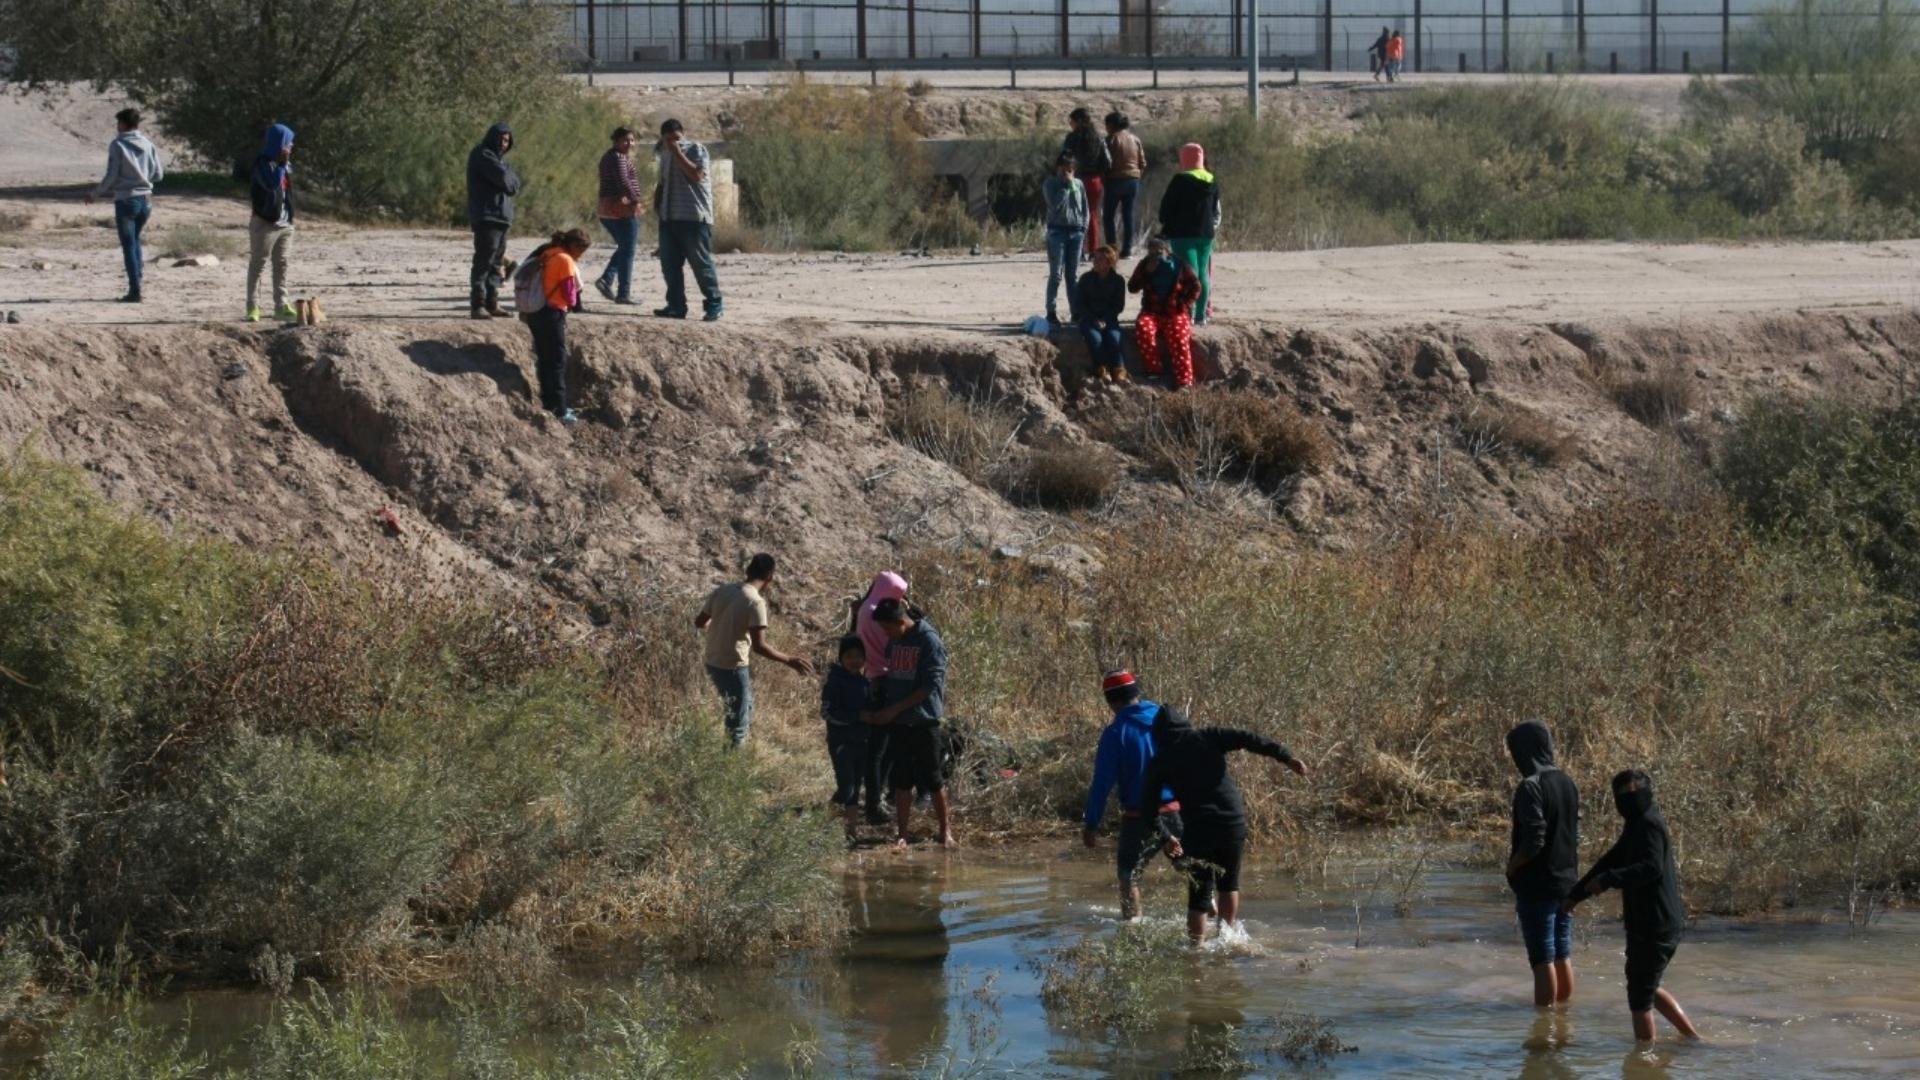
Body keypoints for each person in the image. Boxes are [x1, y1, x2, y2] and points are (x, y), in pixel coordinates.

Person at [1139, 707, 1308, 944]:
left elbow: (1147, 808)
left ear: (1159, 735)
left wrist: (1166, 837)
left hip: (1199, 829)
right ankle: (1226, 939)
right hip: (1232, 821)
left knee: (1198, 894)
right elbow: (1249, 739)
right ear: (1185, 724)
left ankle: (1196, 952)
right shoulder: (1209, 736)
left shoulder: (1162, 760)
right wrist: (1285, 757)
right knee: (1229, 884)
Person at [1565, 770, 1702, 1044]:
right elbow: (1611, 860)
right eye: (1624, 794)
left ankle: (1644, 1060)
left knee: (1639, 999)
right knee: (1646, 987)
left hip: (1656, 924)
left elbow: (1650, 868)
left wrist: (1609, 880)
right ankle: (1692, 1039)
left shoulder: (1649, 823)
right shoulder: (1637, 824)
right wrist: (1576, 895)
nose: (1631, 798)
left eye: (1635, 791)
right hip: (1652, 922)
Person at [1082, 670, 1184, 920]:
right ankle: (1216, 921)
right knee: (1195, 872)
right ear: (1137, 692)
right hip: (1176, 810)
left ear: (1111, 701)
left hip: (1139, 819)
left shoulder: (1116, 732)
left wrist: (1091, 823)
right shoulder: (1166, 717)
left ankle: (1133, 931)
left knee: (1129, 877)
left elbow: (1102, 783)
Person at [694, 553, 814, 748]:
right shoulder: (755, 602)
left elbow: (700, 622)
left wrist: (720, 628)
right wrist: (789, 660)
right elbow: (760, 647)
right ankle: (731, 770)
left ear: (747, 571)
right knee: (738, 727)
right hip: (733, 667)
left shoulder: (722, 590)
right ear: (770, 578)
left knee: (742, 710)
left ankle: (728, 760)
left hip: (712, 661)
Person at [867, 596, 953, 849]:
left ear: (900, 621)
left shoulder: (929, 641)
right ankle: (902, 834)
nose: (885, 634)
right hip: (899, 722)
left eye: (887, 628)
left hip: (924, 721)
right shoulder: (895, 641)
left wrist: (894, 709)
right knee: (901, 780)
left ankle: (945, 831)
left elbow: (928, 687)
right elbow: (893, 673)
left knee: (933, 779)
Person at [1506, 720, 1581, 1008]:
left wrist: (1514, 866)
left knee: (1542, 957)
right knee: (1562, 952)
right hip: (1567, 880)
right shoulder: (1567, 782)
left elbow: (1535, 838)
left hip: (1538, 884)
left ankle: (1545, 1026)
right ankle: (1563, 1019)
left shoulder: (1530, 786)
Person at [86, 109, 164, 304]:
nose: (117, 126)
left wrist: (95, 193)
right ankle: (138, 280)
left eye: (118, 122)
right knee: (135, 241)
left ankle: (135, 290)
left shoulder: (118, 144)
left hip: (126, 200)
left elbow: (111, 175)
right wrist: (142, 178)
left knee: (128, 245)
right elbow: (158, 174)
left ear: (123, 124)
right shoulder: (148, 144)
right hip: (146, 200)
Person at [855, 572, 911, 825]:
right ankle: (874, 804)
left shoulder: (865, 608)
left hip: (872, 676)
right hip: (884, 678)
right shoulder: (877, 614)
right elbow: (896, 641)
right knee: (879, 750)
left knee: (880, 748)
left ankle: (875, 799)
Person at [654, 119, 723, 322]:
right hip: (669, 218)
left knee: (701, 264)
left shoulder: (696, 149)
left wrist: (677, 152)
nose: (672, 143)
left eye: (676, 138)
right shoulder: (664, 155)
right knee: (670, 265)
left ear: (683, 134)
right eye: (668, 140)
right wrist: (658, 208)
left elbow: (696, 175)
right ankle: (676, 305)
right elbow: (662, 183)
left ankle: (714, 303)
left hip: (693, 217)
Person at [520, 228, 591, 424]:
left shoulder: (547, 253)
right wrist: (574, 304)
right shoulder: (565, 260)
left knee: (545, 358)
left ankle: (548, 403)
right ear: (574, 246)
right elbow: (570, 293)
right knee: (558, 361)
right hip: (552, 313)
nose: (581, 255)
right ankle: (560, 409)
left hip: (536, 311)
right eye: (581, 251)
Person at [1157, 143, 1220, 325]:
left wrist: (1165, 222)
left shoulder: (1180, 180)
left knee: (1187, 273)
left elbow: (1167, 206)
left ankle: (1187, 312)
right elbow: (1215, 207)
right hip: (1206, 233)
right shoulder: (1212, 179)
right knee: (1202, 273)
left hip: (1183, 233)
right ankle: (1201, 315)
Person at [1128, 237, 1201, 389]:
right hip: (1151, 311)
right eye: (1151, 251)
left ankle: (1184, 381)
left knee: (1179, 338)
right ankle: (1154, 371)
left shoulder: (1180, 265)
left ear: (1167, 251)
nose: (1155, 255)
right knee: (1143, 328)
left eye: (1158, 251)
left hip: (1175, 311)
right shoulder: (1145, 265)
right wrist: (1146, 272)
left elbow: (1196, 286)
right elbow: (1132, 287)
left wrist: (1185, 304)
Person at [467, 122, 522, 320]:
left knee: (496, 263)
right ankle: (477, 304)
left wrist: (509, 179)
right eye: (500, 138)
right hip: (486, 216)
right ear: (492, 137)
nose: (503, 143)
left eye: (507, 140)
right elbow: (507, 182)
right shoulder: (482, 155)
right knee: (483, 261)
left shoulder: (502, 161)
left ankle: (492, 303)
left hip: (502, 217)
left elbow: (515, 184)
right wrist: (508, 179)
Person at [245, 123, 297, 323]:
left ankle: (281, 306)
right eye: (288, 142)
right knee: (258, 265)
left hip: (285, 224)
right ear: (280, 143)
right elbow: (272, 184)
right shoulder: (262, 165)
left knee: (282, 265)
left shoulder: (286, 165)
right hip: (264, 223)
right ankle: (253, 307)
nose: (291, 146)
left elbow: (286, 192)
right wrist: (282, 165)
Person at [821, 636, 871, 837]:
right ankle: (821, 823)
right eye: (849, 656)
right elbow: (827, 713)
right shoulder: (834, 682)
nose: (855, 660)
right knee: (846, 788)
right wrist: (857, 717)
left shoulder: (864, 681)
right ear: (841, 658)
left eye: (859, 656)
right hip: (841, 742)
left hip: (861, 741)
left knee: (856, 788)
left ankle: (851, 832)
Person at [593, 126, 645, 306]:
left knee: (624, 248)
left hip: (606, 209)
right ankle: (624, 293)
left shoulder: (608, 156)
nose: (629, 144)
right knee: (628, 250)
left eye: (632, 140)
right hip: (621, 208)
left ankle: (607, 279)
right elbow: (624, 181)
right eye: (625, 140)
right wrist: (635, 201)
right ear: (616, 141)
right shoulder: (619, 158)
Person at [1042, 154, 1089, 327]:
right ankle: (1051, 311)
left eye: (1070, 170)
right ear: (1058, 168)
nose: (1067, 173)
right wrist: (1065, 187)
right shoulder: (1050, 184)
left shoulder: (1079, 185)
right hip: (1057, 232)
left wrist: (1083, 228)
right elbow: (1054, 206)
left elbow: (1085, 208)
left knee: (1072, 275)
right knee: (1056, 274)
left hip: (1076, 232)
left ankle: (1075, 311)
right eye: (1063, 169)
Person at [1061, 107, 1111, 256]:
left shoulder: (1071, 138)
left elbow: (1064, 159)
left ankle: (1079, 250)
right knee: (1092, 215)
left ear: (1079, 121)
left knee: (1075, 215)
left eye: (1072, 121)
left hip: (1075, 179)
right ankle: (1093, 250)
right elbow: (1107, 161)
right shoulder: (1098, 138)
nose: (1071, 124)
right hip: (1094, 181)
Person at [1077, 245, 1128, 384]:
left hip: (1109, 318)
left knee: (1114, 338)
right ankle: (1102, 370)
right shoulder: (1086, 279)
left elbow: (1118, 306)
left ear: (1109, 262)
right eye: (1095, 258)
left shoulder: (1118, 281)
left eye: (1100, 259)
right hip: (1088, 319)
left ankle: (1119, 371)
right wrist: (1094, 319)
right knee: (1096, 339)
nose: (1095, 261)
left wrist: (1105, 319)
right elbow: (1079, 305)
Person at [1102, 112, 1145, 258]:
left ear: (1112, 125)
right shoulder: (1135, 139)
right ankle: (1127, 251)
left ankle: (1112, 249)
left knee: (1108, 216)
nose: (1106, 128)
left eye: (1106, 125)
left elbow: (1105, 162)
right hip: (1133, 180)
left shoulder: (1110, 139)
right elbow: (1143, 163)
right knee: (1128, 215)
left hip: (1114, 180)